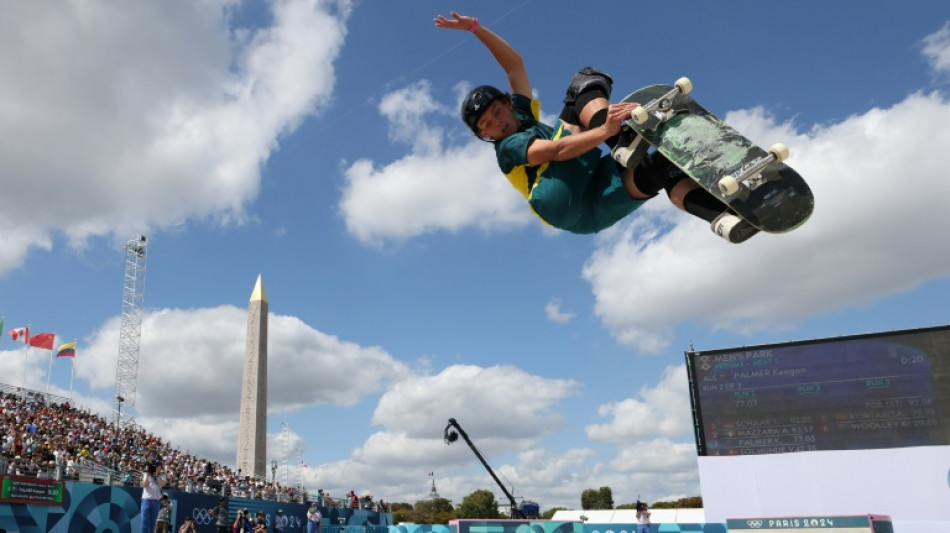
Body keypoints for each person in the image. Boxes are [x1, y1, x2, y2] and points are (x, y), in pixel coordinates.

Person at [433, 12, 759, 244]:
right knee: (581, 86)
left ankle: (723, 219)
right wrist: (605, 131)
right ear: (485, 136)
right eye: (487, 126)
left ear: (507, 103)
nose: (497, 123)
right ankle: (621, 139)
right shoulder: (507, 148)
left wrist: (476, 28)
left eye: (496, 112)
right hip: (555, 196)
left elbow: (514, 65)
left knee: (661, 168)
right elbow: (556, 150)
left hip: (590, 212)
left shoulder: (521, 112)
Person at [140, 463, 167, 533]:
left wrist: (157, 475)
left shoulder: (162, 475)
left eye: (158, 466)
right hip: (146, 500)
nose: (157, 467)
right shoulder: (147, 474)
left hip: (156, 501)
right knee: (144, 521)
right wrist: (147, 473)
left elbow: (163, 484)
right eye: (155, 466)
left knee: (153, 523)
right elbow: (144, 484)